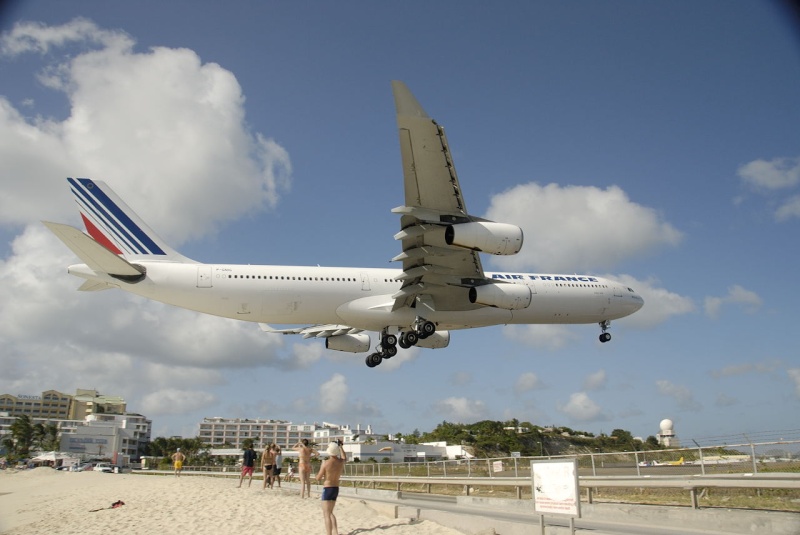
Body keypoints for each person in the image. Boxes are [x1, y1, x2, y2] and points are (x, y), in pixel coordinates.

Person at [316, 442, 345, 535]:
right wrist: (341, 447)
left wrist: (320, 470)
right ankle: (335, 532)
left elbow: (318, 477)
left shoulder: (326, 463)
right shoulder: (340, 462)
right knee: (331, 512)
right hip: (335, 488)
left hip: (328, 488)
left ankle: (329, 533)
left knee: (326, 514)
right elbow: (344, 457)